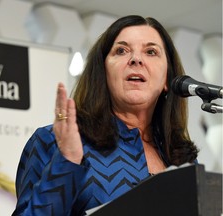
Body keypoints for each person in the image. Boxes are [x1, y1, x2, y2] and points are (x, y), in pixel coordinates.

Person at [12, 15, 199, 216]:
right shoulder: (53, 141)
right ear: (103, 73)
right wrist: (67, 160)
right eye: (121, 50)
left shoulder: (182, 158)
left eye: (151, 51)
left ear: (167, 79)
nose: (136, 59)